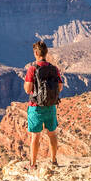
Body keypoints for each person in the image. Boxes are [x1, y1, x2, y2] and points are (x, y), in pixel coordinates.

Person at [24, 40, 65, 168]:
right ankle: (53, 161)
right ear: (46, 53)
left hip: (36, 108)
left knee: (35, 136)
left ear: (36, 53)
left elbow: (28, 89)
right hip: (51, 106)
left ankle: (33, 164)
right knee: (52, 133)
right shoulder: (54, 69)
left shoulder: (32, 69)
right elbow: (60, 87)